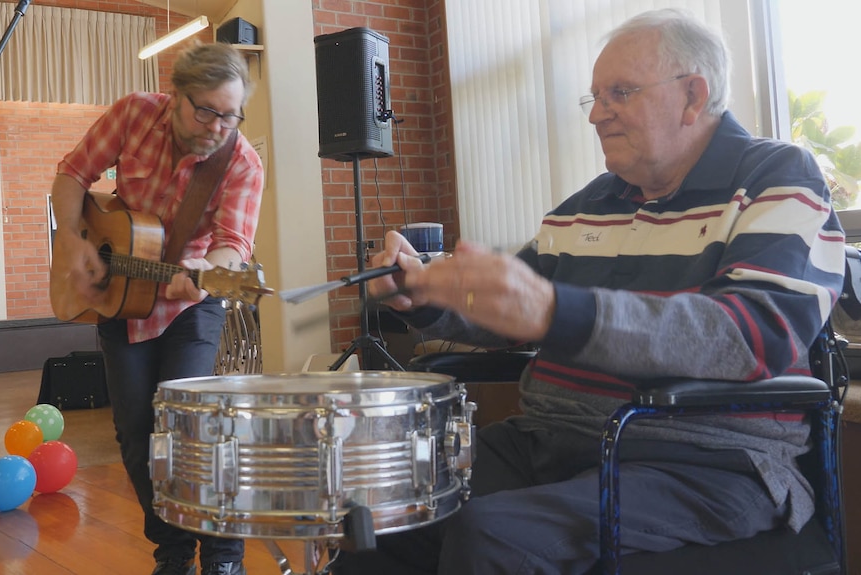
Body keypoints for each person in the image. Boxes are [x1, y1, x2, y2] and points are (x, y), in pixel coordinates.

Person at [334, 8, 846, 575]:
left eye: (619, 93)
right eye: (595, 98)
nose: (597, 115)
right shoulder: (589, 204)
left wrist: (556, 310)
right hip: (553, 441)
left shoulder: (777, 178)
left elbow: (752, 335)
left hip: (704, 460)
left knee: (494, 537)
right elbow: (514, 307)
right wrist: (424, 294)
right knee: (379, 500)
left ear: (693, 96)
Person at [49, 42, 263, 575]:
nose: (218, 124)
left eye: (230, 113)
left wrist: (204, 273)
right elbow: (73, 173)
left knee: (190, 425)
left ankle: (222, 552)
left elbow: (232, 243)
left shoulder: (240, 162)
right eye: (206, 110)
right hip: (122, 299)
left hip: (190, 303)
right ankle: (172, 551)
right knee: (135, 430)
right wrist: (75, 242)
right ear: (176, 96)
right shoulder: (133, 114)